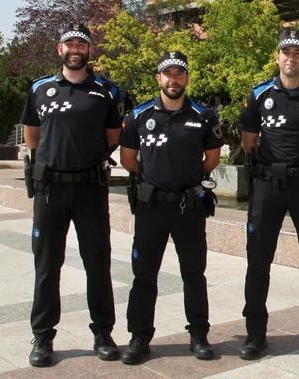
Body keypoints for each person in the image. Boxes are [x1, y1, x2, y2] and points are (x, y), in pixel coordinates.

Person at [21, 23, 123, 367]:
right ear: (59, 49)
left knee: (98, 262)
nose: (76, 48)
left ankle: (103, 333)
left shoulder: (107, 91)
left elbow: (113, 137)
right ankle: (43, 336)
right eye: (70, 43)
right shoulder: (39, 89)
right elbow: (32, 135)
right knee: (47, 265)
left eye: (82, 43)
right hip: (50, 189)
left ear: (89, 50)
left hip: (90, 189)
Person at [238, 29, 299, 359]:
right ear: (277, 57)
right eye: (286, 52)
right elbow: (249, 142)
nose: (291, 57)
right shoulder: (258, 95)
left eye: (297, 52)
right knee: (258, 262)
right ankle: (255, 334)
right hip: (267, 185)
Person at [118, 51, 223, 364]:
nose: (173, 79)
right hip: (152, 207)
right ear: (158, 78)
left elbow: (212, 158)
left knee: (194, 273)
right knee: (144, 275)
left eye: (179, 74)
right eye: (168, 74)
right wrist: (153, 179)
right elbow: (128, 158)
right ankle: (139, 337)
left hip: (189, 207)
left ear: (186, 78)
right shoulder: (138, 115)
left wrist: (187, 181)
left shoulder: (204, 115)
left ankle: (199, 335)